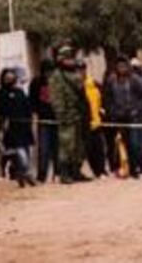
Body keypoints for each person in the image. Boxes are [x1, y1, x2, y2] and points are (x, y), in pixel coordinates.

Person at [104, 57, 142, 179]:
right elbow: (108, 98)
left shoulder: (134, 80)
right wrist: (111, 111)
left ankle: (141, 169)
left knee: (136, 144)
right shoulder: (112, 80)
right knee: (122, 145)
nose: (122, 69)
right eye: (119, 66)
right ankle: (129, 169)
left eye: (124, 66)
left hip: (134, 118)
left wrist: (137, 110)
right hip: (119, 118)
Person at [49, 47, 91, 184]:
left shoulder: (75, 74)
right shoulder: (57, 76)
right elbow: (56, 98)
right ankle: (65, 173)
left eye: (71, 58)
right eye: (67, 58)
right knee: (67, 145)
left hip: (79, 114)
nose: (71, 61)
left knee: (79, 146)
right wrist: (61, 114)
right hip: (67, 116)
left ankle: (76, 171)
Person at [0, 68, 36, 187]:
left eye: (11, 78)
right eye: (7, 78)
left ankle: (21, 174)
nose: (9, 80)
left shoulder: (20, 92)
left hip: (24, 128)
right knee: (19, 153)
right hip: (10, 130)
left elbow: (27, 108)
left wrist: (29, 121)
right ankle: (27, 174)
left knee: (26, 153)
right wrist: (1, 125)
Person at [29, 58, 59, 183]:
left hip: (57, 119)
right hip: (43, 120)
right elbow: (32, 100)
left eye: (50, 71)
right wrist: (36, 113)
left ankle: (58, 172)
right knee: (44, 148)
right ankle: (42, 175)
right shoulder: (36, 82)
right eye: (47, 71)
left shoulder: (58, 82)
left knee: (57, 147)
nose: (49, 74)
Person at [79, 61, 107, 179]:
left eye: (82, 69)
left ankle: (101, 170)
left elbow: (103, 98)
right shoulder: (77, 86)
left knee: (99, 147)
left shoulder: (94, 84)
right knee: (89, 150)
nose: (81, 72)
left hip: (96, 120)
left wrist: (102, 109)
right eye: (79, 70)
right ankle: (96, 171)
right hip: (85, 123)